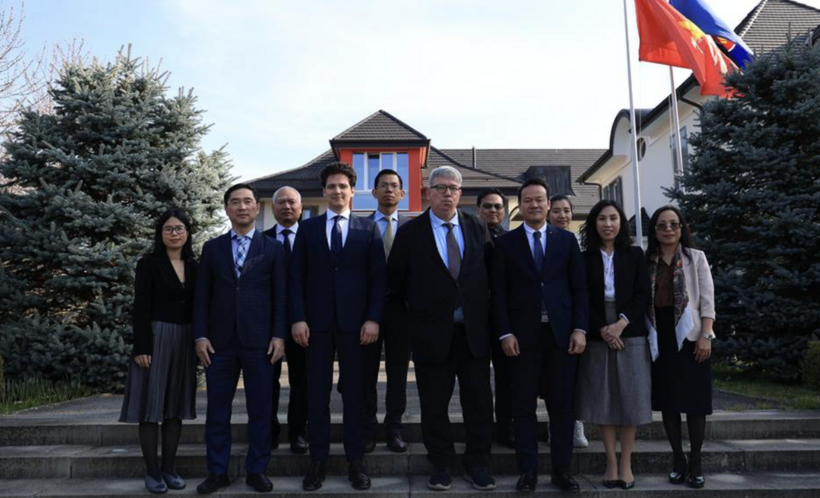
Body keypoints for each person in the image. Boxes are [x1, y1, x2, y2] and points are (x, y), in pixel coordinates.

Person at [388, 166, 496, 492]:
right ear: (428, 192)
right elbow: (395, 285)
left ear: (460, 194)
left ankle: (477, 464)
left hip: (473, 335)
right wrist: (414, 325)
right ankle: (442, 464)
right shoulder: (410, 233)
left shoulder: (477, 227)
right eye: (440, 188)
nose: (447, 193)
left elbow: (490, 277)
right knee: (434, 405)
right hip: (430, 336)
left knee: (478, 403)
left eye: (453, 188)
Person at [289, 161, 386, 491]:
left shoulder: (367, 229)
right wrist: (298, 318)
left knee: (355, 397)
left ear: (352, 191)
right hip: (314, 327)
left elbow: (378, 279)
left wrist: (373, 318)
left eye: (343, 186)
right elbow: (296, 278)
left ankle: (355, 461)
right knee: (317, 395)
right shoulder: (308, 229)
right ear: (324, 191)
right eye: (331, 186)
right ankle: (317, 462)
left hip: (357, 326)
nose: (337, 191)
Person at [491, 178, 588, 493]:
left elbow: (579, 289)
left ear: (549, 204)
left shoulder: (567, 240)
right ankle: (528, 472)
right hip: (522, 339)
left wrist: (580, 328)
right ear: (521, 206)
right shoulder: (505, 243)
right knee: (523, 407)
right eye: (528, 200)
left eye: (540, 199)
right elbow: (499, 294)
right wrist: (505, 332)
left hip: (561, 338)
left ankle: (562, 472)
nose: (535, 205)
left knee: (562, 407)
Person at [193, 184, 287, 495]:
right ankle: (217, 471)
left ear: (258, 208)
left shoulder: (273, 248)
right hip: (219, 343)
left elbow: (280, 297)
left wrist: (279, 335)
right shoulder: (212, 248)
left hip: (260, 341)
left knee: (260, 409)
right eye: (235, 202)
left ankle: (256, 470)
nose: (242, 207)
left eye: (248, 202)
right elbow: (201, 296)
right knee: (217, 410)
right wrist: (200, 335)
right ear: (227, 208)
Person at [120, 208, 198, 494]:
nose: (174, 233)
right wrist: (142, 346)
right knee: (150, 408)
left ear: (187, 233)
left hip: (185, 339)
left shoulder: (194, 265)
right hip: (155, 338)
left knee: (175, 408)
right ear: (160, 234)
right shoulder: (149, 264)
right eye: (168, 229)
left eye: (179, 228)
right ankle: (152, 472)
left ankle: (169, 468)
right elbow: (140, 307)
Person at [575, 200, 652, 490]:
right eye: (602, 219)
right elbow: (581, 295)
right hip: (597, 333)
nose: (608, 223)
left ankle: (626, 462)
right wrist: (603, 329)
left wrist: (620, 324)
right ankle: (610, 461)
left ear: (621, 223)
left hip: (630, 330)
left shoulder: (634, 254)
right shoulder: (584, 258)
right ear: (594, 223)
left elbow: (643, 293)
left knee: (630, 397)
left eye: (613, 218)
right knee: (603, 398)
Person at [646, 206, 716, 489]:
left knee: (695, 403)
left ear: (681, 228)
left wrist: (706, 335)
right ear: (654, 230)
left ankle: (696, 462)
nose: (668, 229)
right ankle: (678, 460)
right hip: (660, 336)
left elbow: (708, 299)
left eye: (673, 224)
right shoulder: (646, 260)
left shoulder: (695, 258)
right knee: (669, 402)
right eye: (662, 225)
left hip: (692, 336)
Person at [363, 169, 411, 454]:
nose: (389, 190)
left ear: (402, 193)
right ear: (374, 192)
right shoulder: (360, 227)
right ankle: (368, 429)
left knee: (397, 373)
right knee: (366, 373)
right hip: (367, 311)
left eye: (395, 186)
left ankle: (394, 429)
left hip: (400, 311)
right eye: (383, 185)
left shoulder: (412, 228)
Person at [262, 186, 309, 455]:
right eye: (281, 202)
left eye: (292, 202)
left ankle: (298, 432)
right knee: (268, 380)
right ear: (273, 207)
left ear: (301, 207)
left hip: (305, 323)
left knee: (302, 381)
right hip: (270, 325)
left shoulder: (313, 237)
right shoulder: (261, 240)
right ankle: (269, 431)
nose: (287, 207)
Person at [547, 194, 588, 449]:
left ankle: (576, 422)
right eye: (556, 211)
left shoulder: (579, 243)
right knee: (553, 383)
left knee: (576, 377)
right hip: (552, 322)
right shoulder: (541, 242)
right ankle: (556, 426)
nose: (562, 215)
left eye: (566, 210)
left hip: (579, 318)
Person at [476, 188, 514, 449]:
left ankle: (506, 428)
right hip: (475, 319)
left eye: (498, 206)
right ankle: (481, 429)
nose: (492, 210)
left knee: (506, 378)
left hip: (504, 320)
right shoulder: (467, 236)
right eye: (487, 206)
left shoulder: (513, 241)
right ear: (478, 210)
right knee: (477, 380)